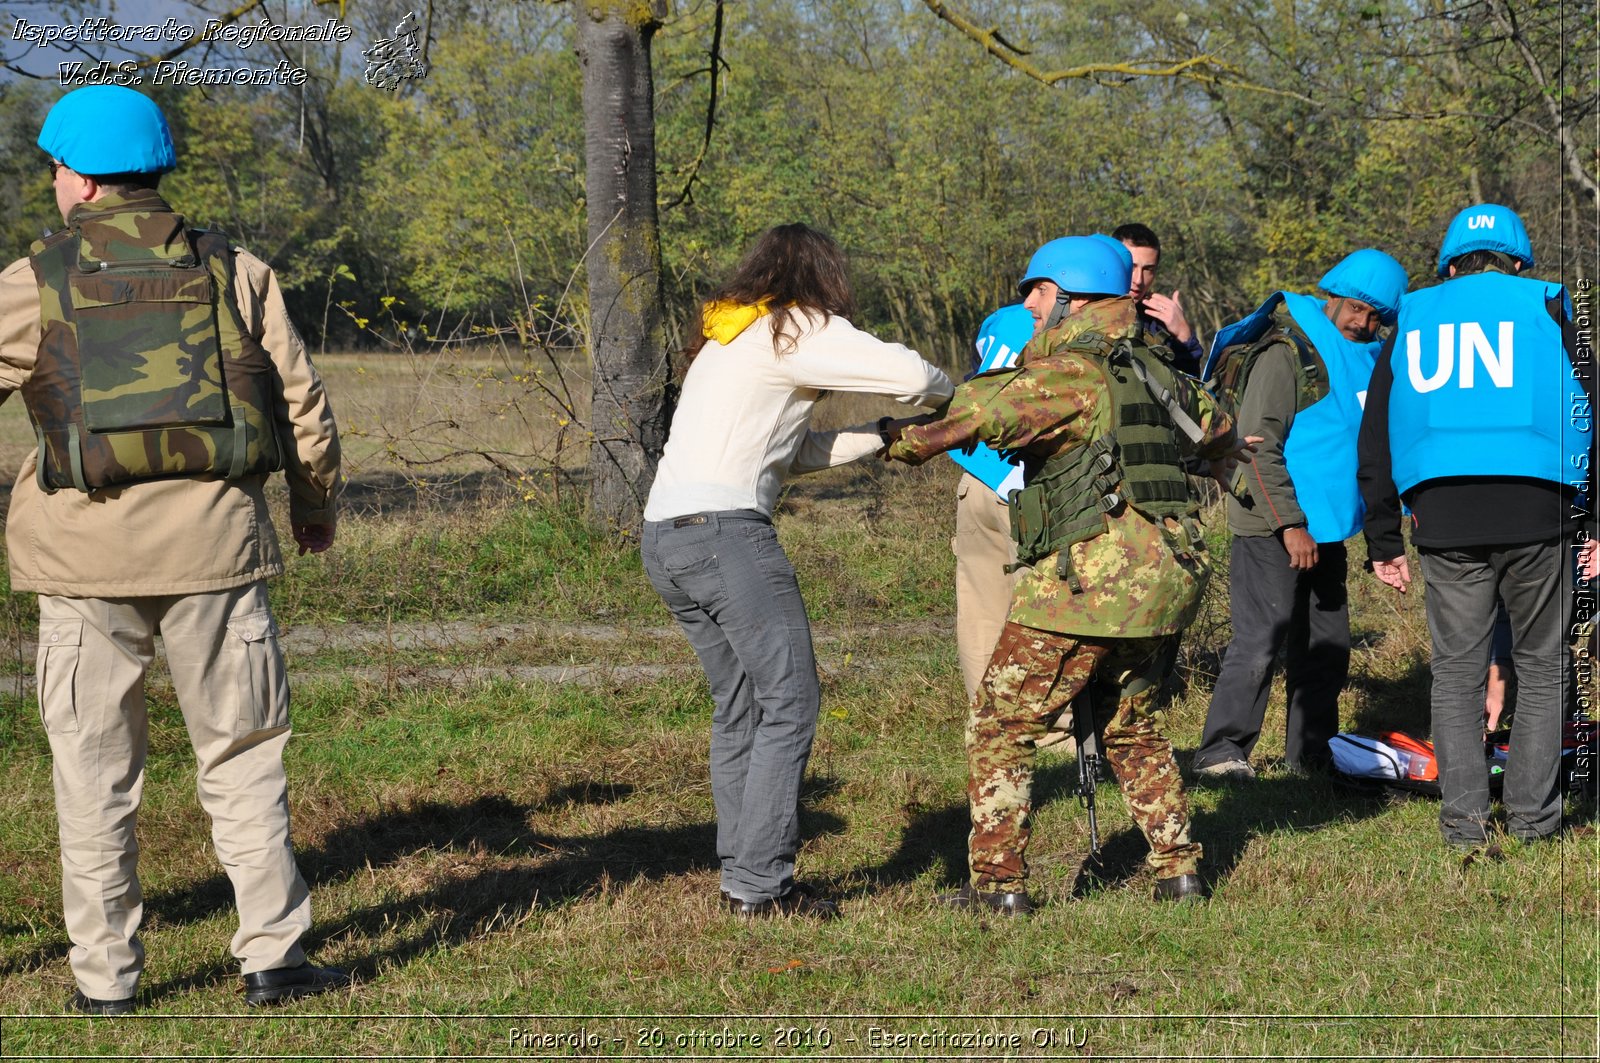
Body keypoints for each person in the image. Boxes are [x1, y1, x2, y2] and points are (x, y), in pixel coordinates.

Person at [0, 87, 348, 1012]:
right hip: (218, 556)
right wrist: (313, 506)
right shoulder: (236, 270)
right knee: (243, 755)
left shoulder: (34, 279)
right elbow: (303, 404)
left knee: (93, 773)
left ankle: (106, 978)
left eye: (57, 167)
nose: (54, 181)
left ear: (80, 182)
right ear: (155, 171)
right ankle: (274, 957)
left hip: (83, 567)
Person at [885, 236, 1246, 911]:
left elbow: (977, 413)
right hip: (1167, 581)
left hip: (1093, 584)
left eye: (1038, 291)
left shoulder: (1069, 373)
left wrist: (903, 440)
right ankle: (1179, 869)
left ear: (1074, 300)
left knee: (999, 720)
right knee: (1130, 722)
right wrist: (1222, 458)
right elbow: (1219, 424)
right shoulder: (1152, 366)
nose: (1027, 303)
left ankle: (998, 886)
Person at [641, 223, 953, 918]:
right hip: (726, 537)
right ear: (823, 277)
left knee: (742, 705)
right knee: (791, 701)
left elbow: (792, 452)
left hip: (666, 538)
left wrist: (879, 437)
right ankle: (761, 885)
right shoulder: (796, 324)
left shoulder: (728, 338)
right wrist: (952, 397)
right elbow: (907, 375)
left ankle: (740, 870)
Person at [1358, 203, 1598, 850]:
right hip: (1537, 508)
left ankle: (1464, 826)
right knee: (1543, 667)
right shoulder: (1549, 303)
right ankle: (1534, 820)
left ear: (1449, 263)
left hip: (1444, 517)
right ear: (1518, 261)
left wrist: (1381, 535)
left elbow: (1376, 431)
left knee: (1456, 674)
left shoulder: (1412, 314)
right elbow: (1591, 405)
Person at [1193, 249, 1409, 781]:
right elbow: (1257, 447)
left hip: (1326, 528)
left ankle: (1313, 753)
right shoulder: (1288, 352)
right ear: (1332, 294)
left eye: (1376, 314)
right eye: (1357, 308)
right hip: (1273, 522)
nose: (1364, 322)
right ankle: (1222, 753)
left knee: (1327, 646)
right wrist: (1290, 525)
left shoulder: (1371, 352)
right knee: (1261, 638)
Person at [1114, 223, 1203, 375]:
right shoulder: (1080, 310)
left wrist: (1183, 334)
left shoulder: (1157, 322)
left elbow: (1189, 388)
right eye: (1132, 266)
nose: (1139, 280)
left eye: (1148, 269)